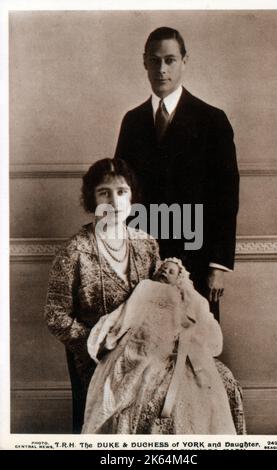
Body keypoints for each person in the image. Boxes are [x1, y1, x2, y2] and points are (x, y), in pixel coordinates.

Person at [114, 27, 240, 320]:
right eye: (154, 60)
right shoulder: (132, 122)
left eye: (170, 60)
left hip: (195, 256)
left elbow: (227, 197)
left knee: (194, 350)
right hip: (143, 261)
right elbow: (121, 192)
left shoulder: (212, 120)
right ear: (144, 62)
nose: (162, 69)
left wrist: (218, 266)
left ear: (185, 61)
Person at [44, 158, 160, 433]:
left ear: (132, 198)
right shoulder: (74, 251)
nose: (114, 201)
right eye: (103, 192)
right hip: (96, 357)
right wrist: (97, 343)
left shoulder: (147, 245)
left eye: (122, 192)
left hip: (143, 352)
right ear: (91, 199)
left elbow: (159, 301)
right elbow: (55, 315)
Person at [82, 258, 237, 434]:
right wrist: (114, 330)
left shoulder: (182, 292)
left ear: (179, 278)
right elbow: (130, 309)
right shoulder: (146, 286)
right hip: (146, 330)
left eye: (171, 271)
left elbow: (198, 311)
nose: (165, 272)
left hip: (172, 332)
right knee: (140, 354)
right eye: (163, 269)